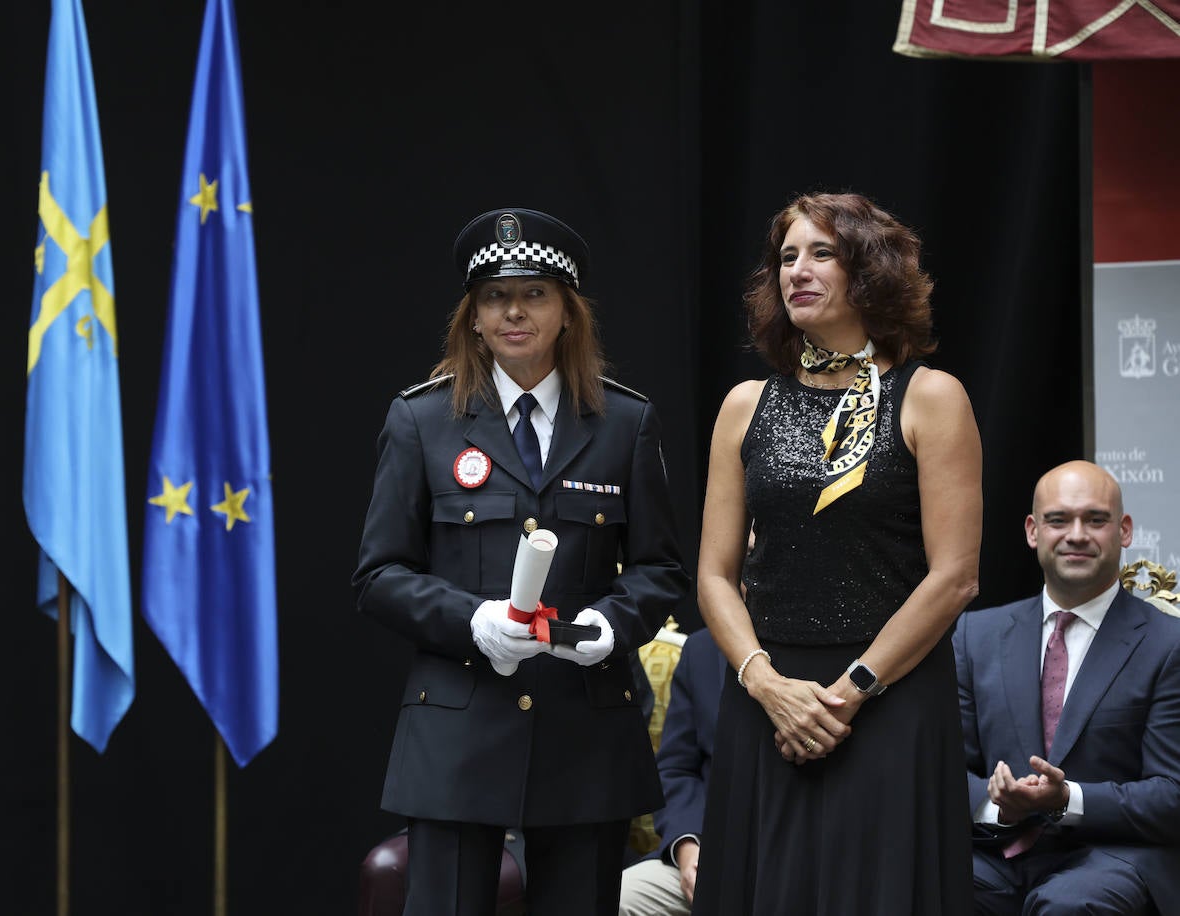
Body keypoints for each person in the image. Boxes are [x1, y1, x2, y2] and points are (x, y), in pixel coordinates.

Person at [353, 207, 689, 916]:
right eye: (495, 297)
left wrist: (611, 624)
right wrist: (471, 619)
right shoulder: (421, 420)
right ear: (472, 317)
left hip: (584, 731)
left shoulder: (625, 424)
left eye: (535, 294)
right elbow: (379, 575)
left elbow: (661, 571)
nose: (514, 312)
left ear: (568, 312)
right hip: (459, 731)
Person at [692, 191, 981, 913]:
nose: (798, 270)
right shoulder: (745, 404)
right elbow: (714, 575)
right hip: (768, 701)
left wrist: (847, 694)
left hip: (888, 697)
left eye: (822, 253)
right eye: (787, 257)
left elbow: (954, 579)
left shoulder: (931, 397)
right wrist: (766, 686)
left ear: (871, 271)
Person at [956, 460, 1180, 915]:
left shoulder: (1168, 645)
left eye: (1096, 520)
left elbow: (1172, 794)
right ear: (1032, 531)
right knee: (912, 882)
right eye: (1058, 520)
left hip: (1112, 855)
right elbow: (943, 771)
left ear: (1125, 531)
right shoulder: (974, 636)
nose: (1076, 534)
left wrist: (1067, 799)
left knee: (1067, 906)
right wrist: (1002, 806)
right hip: (997, 850)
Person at [618, 628, 724, 916]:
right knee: (622, 899)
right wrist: (688, 848)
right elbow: (677, 769)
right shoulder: (703, 649)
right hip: (709, 848)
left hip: (800, 857)